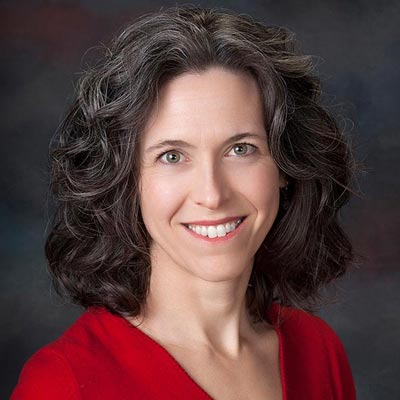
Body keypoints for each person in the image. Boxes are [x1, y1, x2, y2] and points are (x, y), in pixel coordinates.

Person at [12, 5, 357, 400]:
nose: (212, 194)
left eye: (240, 149)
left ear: (284, 166)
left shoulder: (317, 349)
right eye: (172, 156)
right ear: (126, 179)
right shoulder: (63, 384)